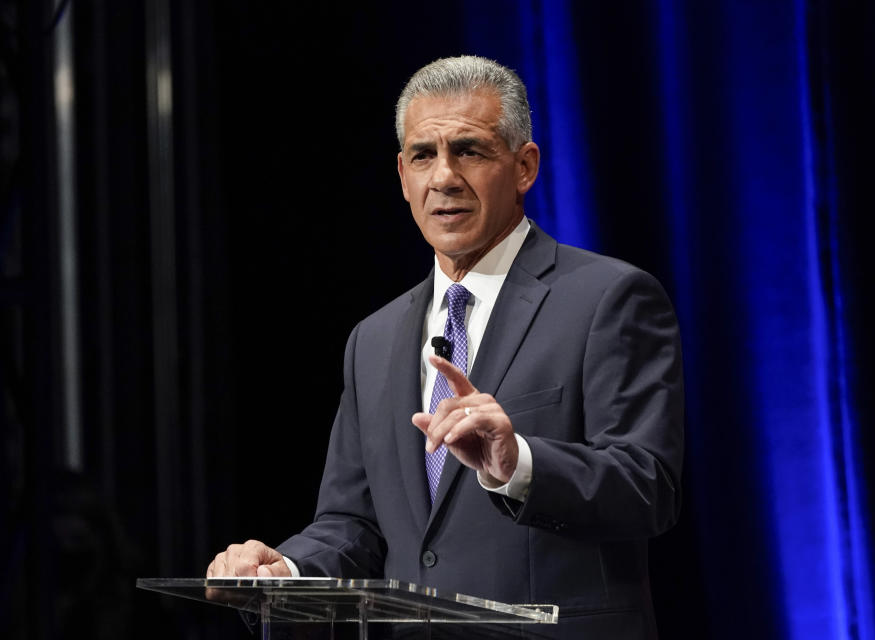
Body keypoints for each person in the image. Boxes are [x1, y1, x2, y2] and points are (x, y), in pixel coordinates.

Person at [207, 55, 683, 639]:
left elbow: (646, 487)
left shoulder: (607, 299)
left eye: (471, 151)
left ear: (525, 166)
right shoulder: (373, 340)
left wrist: (518, 463)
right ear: (402, 176)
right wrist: (287, 567)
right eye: (423, 156)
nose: (444, 177)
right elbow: (354, 522)